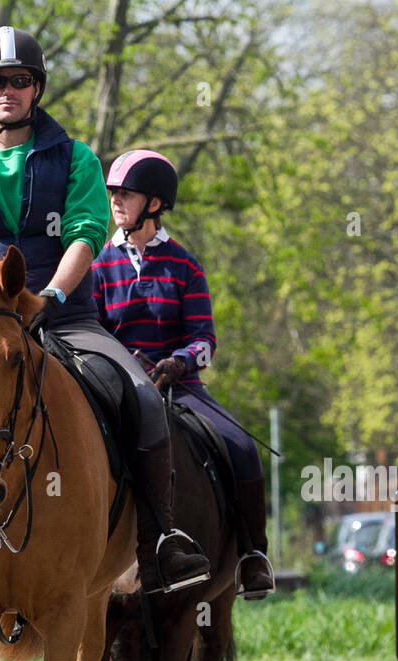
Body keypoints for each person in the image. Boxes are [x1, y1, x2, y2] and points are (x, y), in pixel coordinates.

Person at [0, 26, 210, 599]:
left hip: (66, 314)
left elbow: (84, 233)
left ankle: (160, 542)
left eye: (20, 81)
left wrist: (47, 297)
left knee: (143, 397)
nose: (9, 91)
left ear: (36, 89)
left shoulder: (75, 158)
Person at [91, 149, 274, 598]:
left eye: (126, 194)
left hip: (178, 386)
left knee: (242, 446)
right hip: (116, 385)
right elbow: (91, 330)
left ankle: (253, 556)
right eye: (112, 193)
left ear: (154, 203)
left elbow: (204, 340)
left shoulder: (185, 265)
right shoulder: (95, 264)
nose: (116, 201)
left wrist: (180, 362)